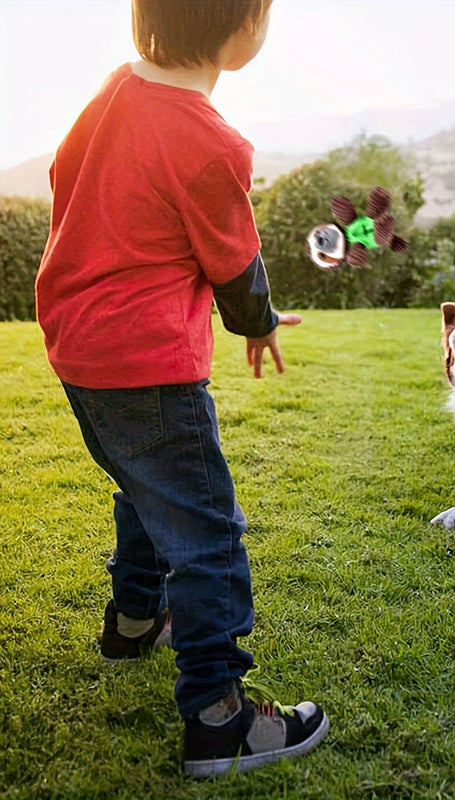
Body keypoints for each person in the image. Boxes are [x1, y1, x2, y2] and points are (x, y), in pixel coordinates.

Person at [35, 0, 329, 779]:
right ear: (240, 30)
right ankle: (218, 717)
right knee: (205, 532)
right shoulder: (209, 139)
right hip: (149, 362)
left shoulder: (108, 95)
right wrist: (258, 323)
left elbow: (75, 196)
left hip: (80, 354)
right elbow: (233, 257)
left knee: (142, 490)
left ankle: (134, 622)